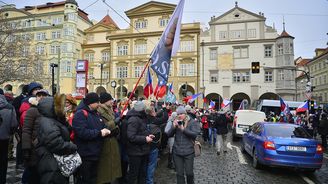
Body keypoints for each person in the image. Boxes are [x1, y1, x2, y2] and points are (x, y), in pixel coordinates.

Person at [35, 95, 77, 184]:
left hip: (55, 161)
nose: (64, 108)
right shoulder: (48, 122)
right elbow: (56, 144)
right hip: (50, 162)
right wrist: (72, 147)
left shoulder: (53, 120)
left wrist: (62, 119)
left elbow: (67, 131)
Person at [73, 92, 111, 184]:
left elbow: (101, 127)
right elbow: (82, 133)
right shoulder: (80, 114)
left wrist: (106, 130)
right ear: (90, 103)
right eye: (97, 102)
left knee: (93, 179)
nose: (99, 104)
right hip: (85, 155)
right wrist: (99, 133)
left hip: (95, 153)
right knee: (85, 179)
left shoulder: (95, 113)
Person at [166, 106, 201, 184]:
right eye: (178, 114)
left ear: (185, 114)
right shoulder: (176, 121)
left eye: (181, 113)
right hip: (177, 152)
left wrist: (183, 129)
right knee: (179, 174)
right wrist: (173, 127)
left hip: (189, 152)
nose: (179, 115)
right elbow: (168, 134)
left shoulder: (192, 122)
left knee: (189, 173)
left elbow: (195, 135)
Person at [21, 89, 49, 184]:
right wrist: (26, 148)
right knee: (32, 174)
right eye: (39, 95)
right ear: (36, 97)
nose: (41, 97)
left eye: (43, 95)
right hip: (34, 148)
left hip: (46, 148)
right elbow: (26, 131)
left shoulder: (49, 111)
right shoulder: (32, 111)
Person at [96, 92, 122, 184]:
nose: (112, 101)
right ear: (105, 101)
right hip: (105, 142)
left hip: (112, 141)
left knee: (111, 170)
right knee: (104, 171)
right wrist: (114, 122)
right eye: (110, 100)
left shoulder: (109, 110)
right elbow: (101, 126)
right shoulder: (99, 111)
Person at [126, 101, 153, 184]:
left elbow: (141, 131)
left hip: (142, 151)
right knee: (133, 176)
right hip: (135, 153)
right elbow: (131, 137)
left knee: (142, 175)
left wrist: (149, 135)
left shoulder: (140, 117)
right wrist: (145, 139)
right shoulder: (133, 119)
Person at [145, 103, 169, 184]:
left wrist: (161, 110)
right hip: (153, 146)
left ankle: (144, 180)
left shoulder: (144, 118)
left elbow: (156, 115)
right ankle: (149, 182)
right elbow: (164, 118)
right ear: (151, 112)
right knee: (151, 165)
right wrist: (165, 109)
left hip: (144, 145)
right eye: (153, 110)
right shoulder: (154, 120)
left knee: (145, 164)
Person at [0, 94, 18, 184]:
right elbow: (14, 124)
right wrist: (10, 133)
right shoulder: (9, 107)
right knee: (3, 160)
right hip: (4, 137)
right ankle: (2, 179)